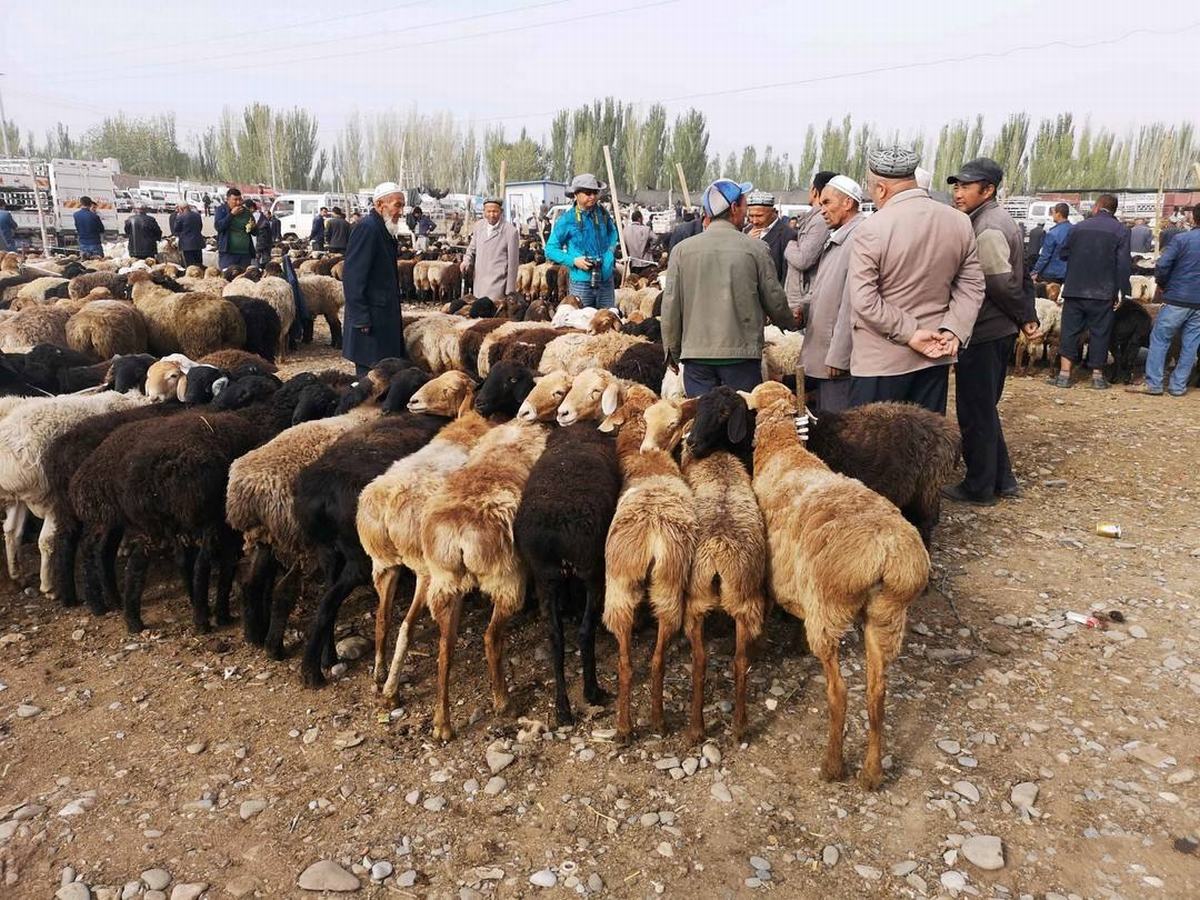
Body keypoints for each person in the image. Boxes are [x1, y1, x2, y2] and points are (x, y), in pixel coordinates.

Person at [845, 147, 985, 414]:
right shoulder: (958, 222)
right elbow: (972, 285)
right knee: (924, 446)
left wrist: (910, 333)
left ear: (881, 189)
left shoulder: (872, 228)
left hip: (881, 361)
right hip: (935, 357)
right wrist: (954, 329)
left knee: (873, 450)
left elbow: (865, 300)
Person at [944, 158, 1039, 505]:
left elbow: (998, 282)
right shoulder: (991, 219)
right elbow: (1021, 276)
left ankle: (979, 486)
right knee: (984, 407)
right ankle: (1002, 478)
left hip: (985, 330)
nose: (958, 193)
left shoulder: (987, 226)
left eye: (966, 186)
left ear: (988, 189)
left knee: (975, 411)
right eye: (956, 186)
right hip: (996, 329)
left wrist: (1025, 317)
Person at [662, 178, 795, 397]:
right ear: (734, 208)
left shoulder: (682, 251)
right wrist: (789, 322)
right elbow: (774, 299)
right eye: (744, 205)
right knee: (740, 420)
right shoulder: (756, 249)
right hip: (741, 357)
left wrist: (672, 352)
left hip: (696, 358)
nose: (746, 212)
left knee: (704, 421)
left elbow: (670, 306)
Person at [799, 175, 866, 413]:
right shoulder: (840, 237)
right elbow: (828, 291)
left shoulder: (857, 239)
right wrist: (805, 309)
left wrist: (839, 354)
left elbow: (852, 303)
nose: (821, 209)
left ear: (847, 203)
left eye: (827, 203)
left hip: (835, 359)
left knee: (839, 426)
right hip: (826, 355)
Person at [1051, 193, 1131, 390]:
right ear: (1113, 209)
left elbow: (1063, 253)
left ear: (1097, 206)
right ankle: (1097, 377)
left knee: (1069, 331)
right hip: (1103, 291)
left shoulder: (1078, 227)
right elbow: (1123, 265)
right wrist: (1123, 291)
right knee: (1100, 333)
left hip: (1075, 288)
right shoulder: (1121, 231)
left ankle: (1064, 375)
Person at [1127, 203, 1200, 396]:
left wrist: (1162, 283)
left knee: (1160, 338)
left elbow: (1163, 265)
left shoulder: (1182, 240)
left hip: (1177, 297)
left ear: (1194, 217)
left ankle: (1154, 383)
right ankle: (1178, 385)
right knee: (1191, 343)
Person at [342, 182, 407, 376]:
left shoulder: (384, 229)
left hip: (383, 317)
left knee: (385, 373)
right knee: (370, 379)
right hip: (371, 322)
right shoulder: (368, 229)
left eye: (402, 205)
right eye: (397, 205)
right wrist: (361, 318)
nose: (401, 211)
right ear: (380, 205)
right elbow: (353, 277)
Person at [545, 174, 619, 308]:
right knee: (580, 324)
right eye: (588, 193)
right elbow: (550, 249)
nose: (592, 196)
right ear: (576, 194)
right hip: (581, 283)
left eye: (595, 192)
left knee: (607, 321)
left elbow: (613, 232)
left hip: (606, 280)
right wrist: (574, 261)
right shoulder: (567, 219)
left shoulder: (602, 213)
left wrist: (610, 251)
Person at [784, 172, 835, 316]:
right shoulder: (812, 219)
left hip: (806, 301)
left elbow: (803, 260)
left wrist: (790, 245)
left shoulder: (820, 221)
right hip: (802, 300)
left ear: (814, 191)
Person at [463, 197, 519, 301]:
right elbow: (471, 249)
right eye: (488, 211)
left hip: (498, 284)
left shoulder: (510, 232)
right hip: (479, 282)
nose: (492, 215)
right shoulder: (478, 227)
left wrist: (510, 291)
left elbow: (513, 264)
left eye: (495, 211)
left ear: (501, 212)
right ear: (484, 211)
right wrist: (466, 261)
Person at [744, 191, 796, 285]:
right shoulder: (745, 232)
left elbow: (786, 275)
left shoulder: (788, 235)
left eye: (759, 216)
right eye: (751, 216)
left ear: (773, 212)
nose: (754, 221)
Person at [213, 188, 255, 270]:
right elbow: (219, 227)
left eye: (240, 199)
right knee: (228, 276)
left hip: (245, 253)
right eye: (235, 200)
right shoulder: (221, 210)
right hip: (228, 254)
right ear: (228, 200)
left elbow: (254, 232)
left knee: (244, 279)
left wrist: (253, 227)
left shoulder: (246, 212)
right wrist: (231, 214)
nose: (238, 202)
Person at [1031, 203, 1071, 286]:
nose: (1052, 215)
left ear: (1059, 214)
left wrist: (1035, 271)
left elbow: (1045, 256)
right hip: (1068, 272)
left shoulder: (1052, 234)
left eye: (1053, 213)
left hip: (1051, 274)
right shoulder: (1074, 230)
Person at [172, 202, 205, 267]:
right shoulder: (197, 215)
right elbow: (200, 227)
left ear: (181, 208)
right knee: (199, 263)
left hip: (186, 245)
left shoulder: (180, 217)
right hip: (198, 242)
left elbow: (176, 229)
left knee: (190, 265)